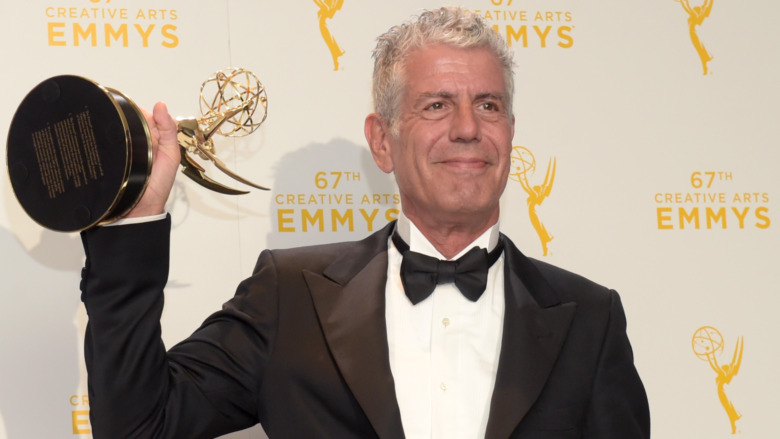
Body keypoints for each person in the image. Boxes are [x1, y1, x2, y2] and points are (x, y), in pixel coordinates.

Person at [79, 6, 650, 438]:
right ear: (382, 142)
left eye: (488, 105)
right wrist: (134, 226)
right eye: (436, 105)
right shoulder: (290, 297)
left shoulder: (590, 321)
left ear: (510, 132)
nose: (468, 128)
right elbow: (138, 424)